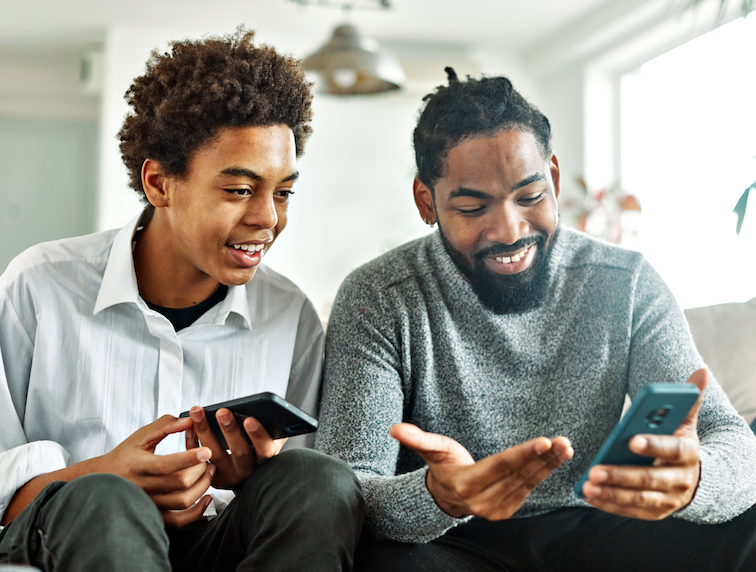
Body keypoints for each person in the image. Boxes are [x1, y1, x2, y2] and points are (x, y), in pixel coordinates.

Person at [316, 68, 756, 571]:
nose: (509, 230)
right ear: (426, 202)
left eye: (529, 196)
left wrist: (694, 479)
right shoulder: (378, 296)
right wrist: (440, 496)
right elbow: (347, 491)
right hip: (451, 541)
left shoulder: (625, 281)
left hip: (596, 527)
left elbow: (733, 441)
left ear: (554, 177)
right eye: (471, 206)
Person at [0, 28, 363, 572]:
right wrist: (107, 473)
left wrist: (249, 477)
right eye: (239, 190)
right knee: (108, 499)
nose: (268, 218)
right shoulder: (40, 286)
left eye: (283, 191)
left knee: (320, 478)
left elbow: (300, 507)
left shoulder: (290, 316)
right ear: (160, 183)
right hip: (82, 534)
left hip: (218, 541)